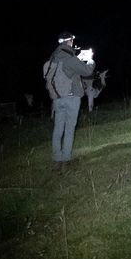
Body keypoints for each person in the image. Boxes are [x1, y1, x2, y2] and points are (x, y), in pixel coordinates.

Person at [46, 31, 94, 167]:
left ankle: (57, 159)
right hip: (71, 97)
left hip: (57, 98)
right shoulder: (69, 57)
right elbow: (87, 71)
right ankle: (66, 159)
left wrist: (77, 57)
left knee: (58, 128)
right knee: (69, 129)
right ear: (69, 42)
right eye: (72, 41)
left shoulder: (54, 56)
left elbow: (66, 69)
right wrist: (90, 60)